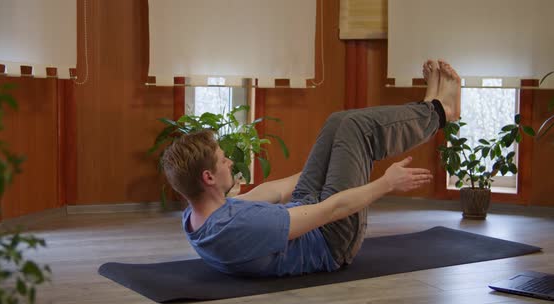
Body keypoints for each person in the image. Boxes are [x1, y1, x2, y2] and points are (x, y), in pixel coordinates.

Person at [162, 60, 461, 277]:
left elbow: (274, 191)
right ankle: (440, 110)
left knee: (336, 122)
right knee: (356, 128)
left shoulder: (197, 215)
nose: (229, 161)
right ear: (208, 177)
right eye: (222, 159)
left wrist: (329, 162)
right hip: (331, 238)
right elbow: (330, 211)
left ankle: (430, 107)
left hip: (305, 208)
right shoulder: (240, 227)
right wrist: (386, 183)